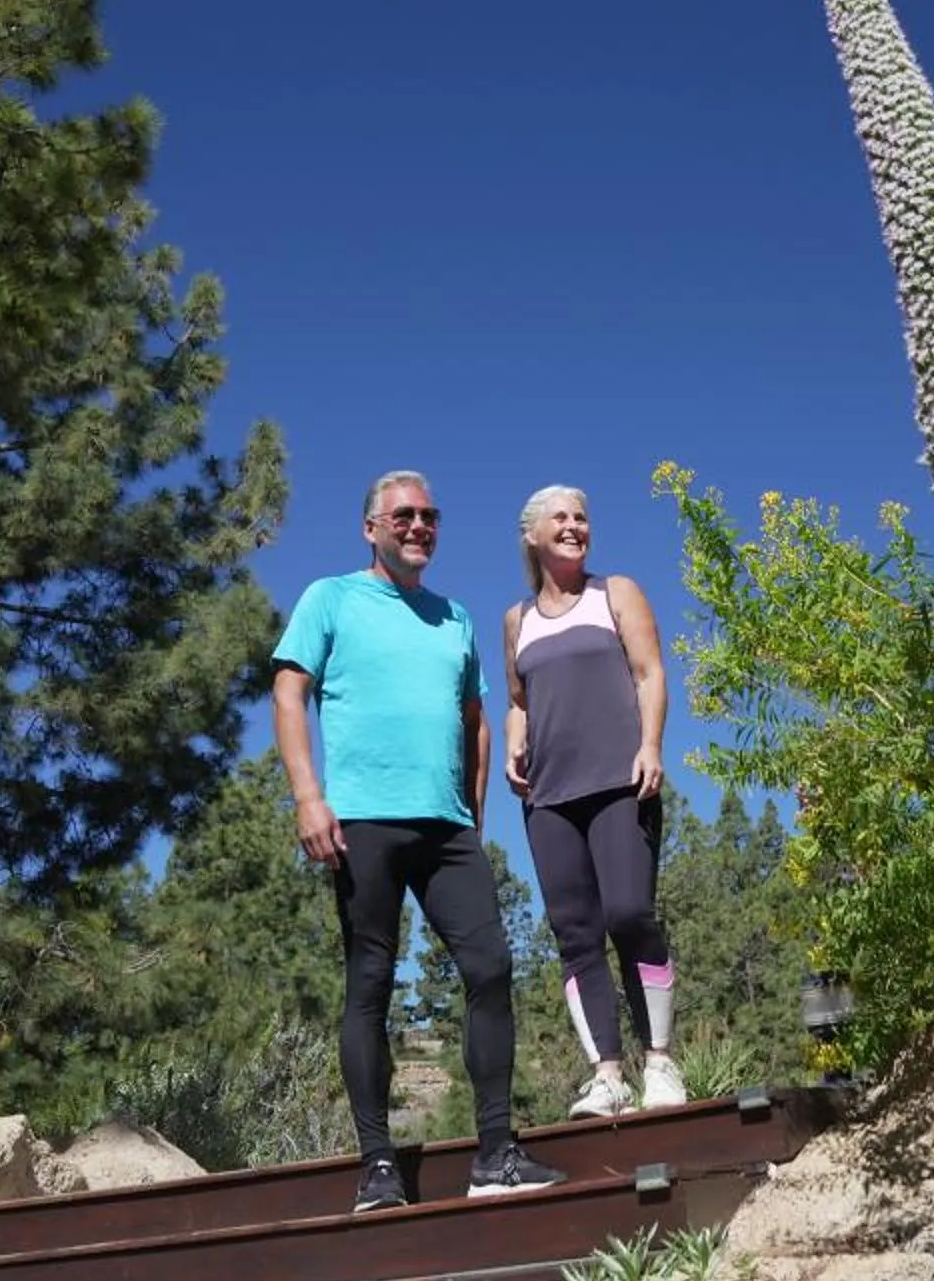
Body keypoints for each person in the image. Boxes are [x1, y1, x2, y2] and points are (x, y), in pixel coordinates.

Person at [272, 471, 567, 1209]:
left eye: (430, 515)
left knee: (492, 966)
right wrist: (309, 797)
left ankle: (495, 1155)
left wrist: (473, 815)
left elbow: (475, 719)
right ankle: (377, 1167)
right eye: (403, 515)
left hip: (447, 827)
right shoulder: (330, 598)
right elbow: (288, 692)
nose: (418, 525)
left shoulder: (455, 618)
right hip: (362, 821)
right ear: (371, 527)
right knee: (369, 984)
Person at [503, 485, 686, 1119]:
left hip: (620, 780)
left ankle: (660, 1060)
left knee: (630, 913)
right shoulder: (516, 620)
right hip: (549, 798)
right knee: (575, 933)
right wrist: (513, 746)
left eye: (583, 516)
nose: (576, 525)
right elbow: (519, 700)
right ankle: (607, 1075)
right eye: (562, 517)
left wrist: (652, 744)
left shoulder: (617, 594)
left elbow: (649, 673)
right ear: (532, 535)